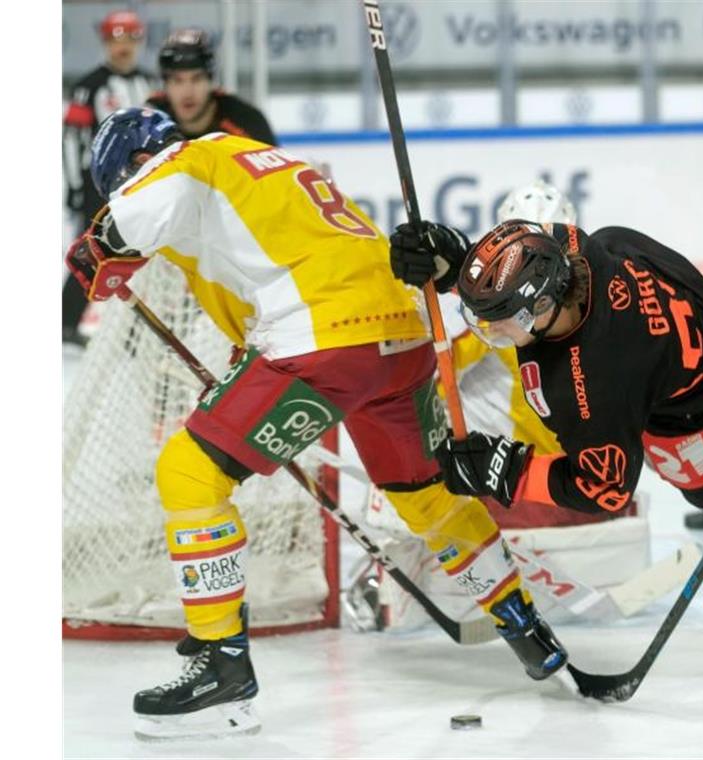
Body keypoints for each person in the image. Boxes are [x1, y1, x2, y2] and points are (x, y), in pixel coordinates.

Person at [65, 108, 566, 739]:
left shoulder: (184, 160)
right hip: (401, 335)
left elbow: (137, 212)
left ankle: (222, 665)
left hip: (324, 341)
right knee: (424, 494)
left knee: (189, 473)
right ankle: (523, 625)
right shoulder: (267, 161)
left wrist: (98, 243)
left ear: (133, 165)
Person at [388, 215, 703, 598]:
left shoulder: (593, 385)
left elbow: (606, 491)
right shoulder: (578, 247)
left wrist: (506, 470)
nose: (490, 331)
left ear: (544, 309)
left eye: (500, 320)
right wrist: (457, 262)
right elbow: (527, 261)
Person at [63, 9, 157, 346]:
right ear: (105, 43)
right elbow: (71, 139)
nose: (124, 47)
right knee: (93, 250)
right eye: (117, 39)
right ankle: (65, 321)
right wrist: (74, 185)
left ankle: (138, 329)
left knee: (146, 253)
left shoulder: (151, 83)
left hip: (145, 184)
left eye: (130, 39)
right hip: (98, 185)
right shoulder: (89, 87)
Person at [146, 28, 276, 144]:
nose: (187, 92)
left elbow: (277, 170)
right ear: (165, 85)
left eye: (197, 79)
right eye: (177, 81)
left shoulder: (246, 120)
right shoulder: (149, 122)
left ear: (211, 82)